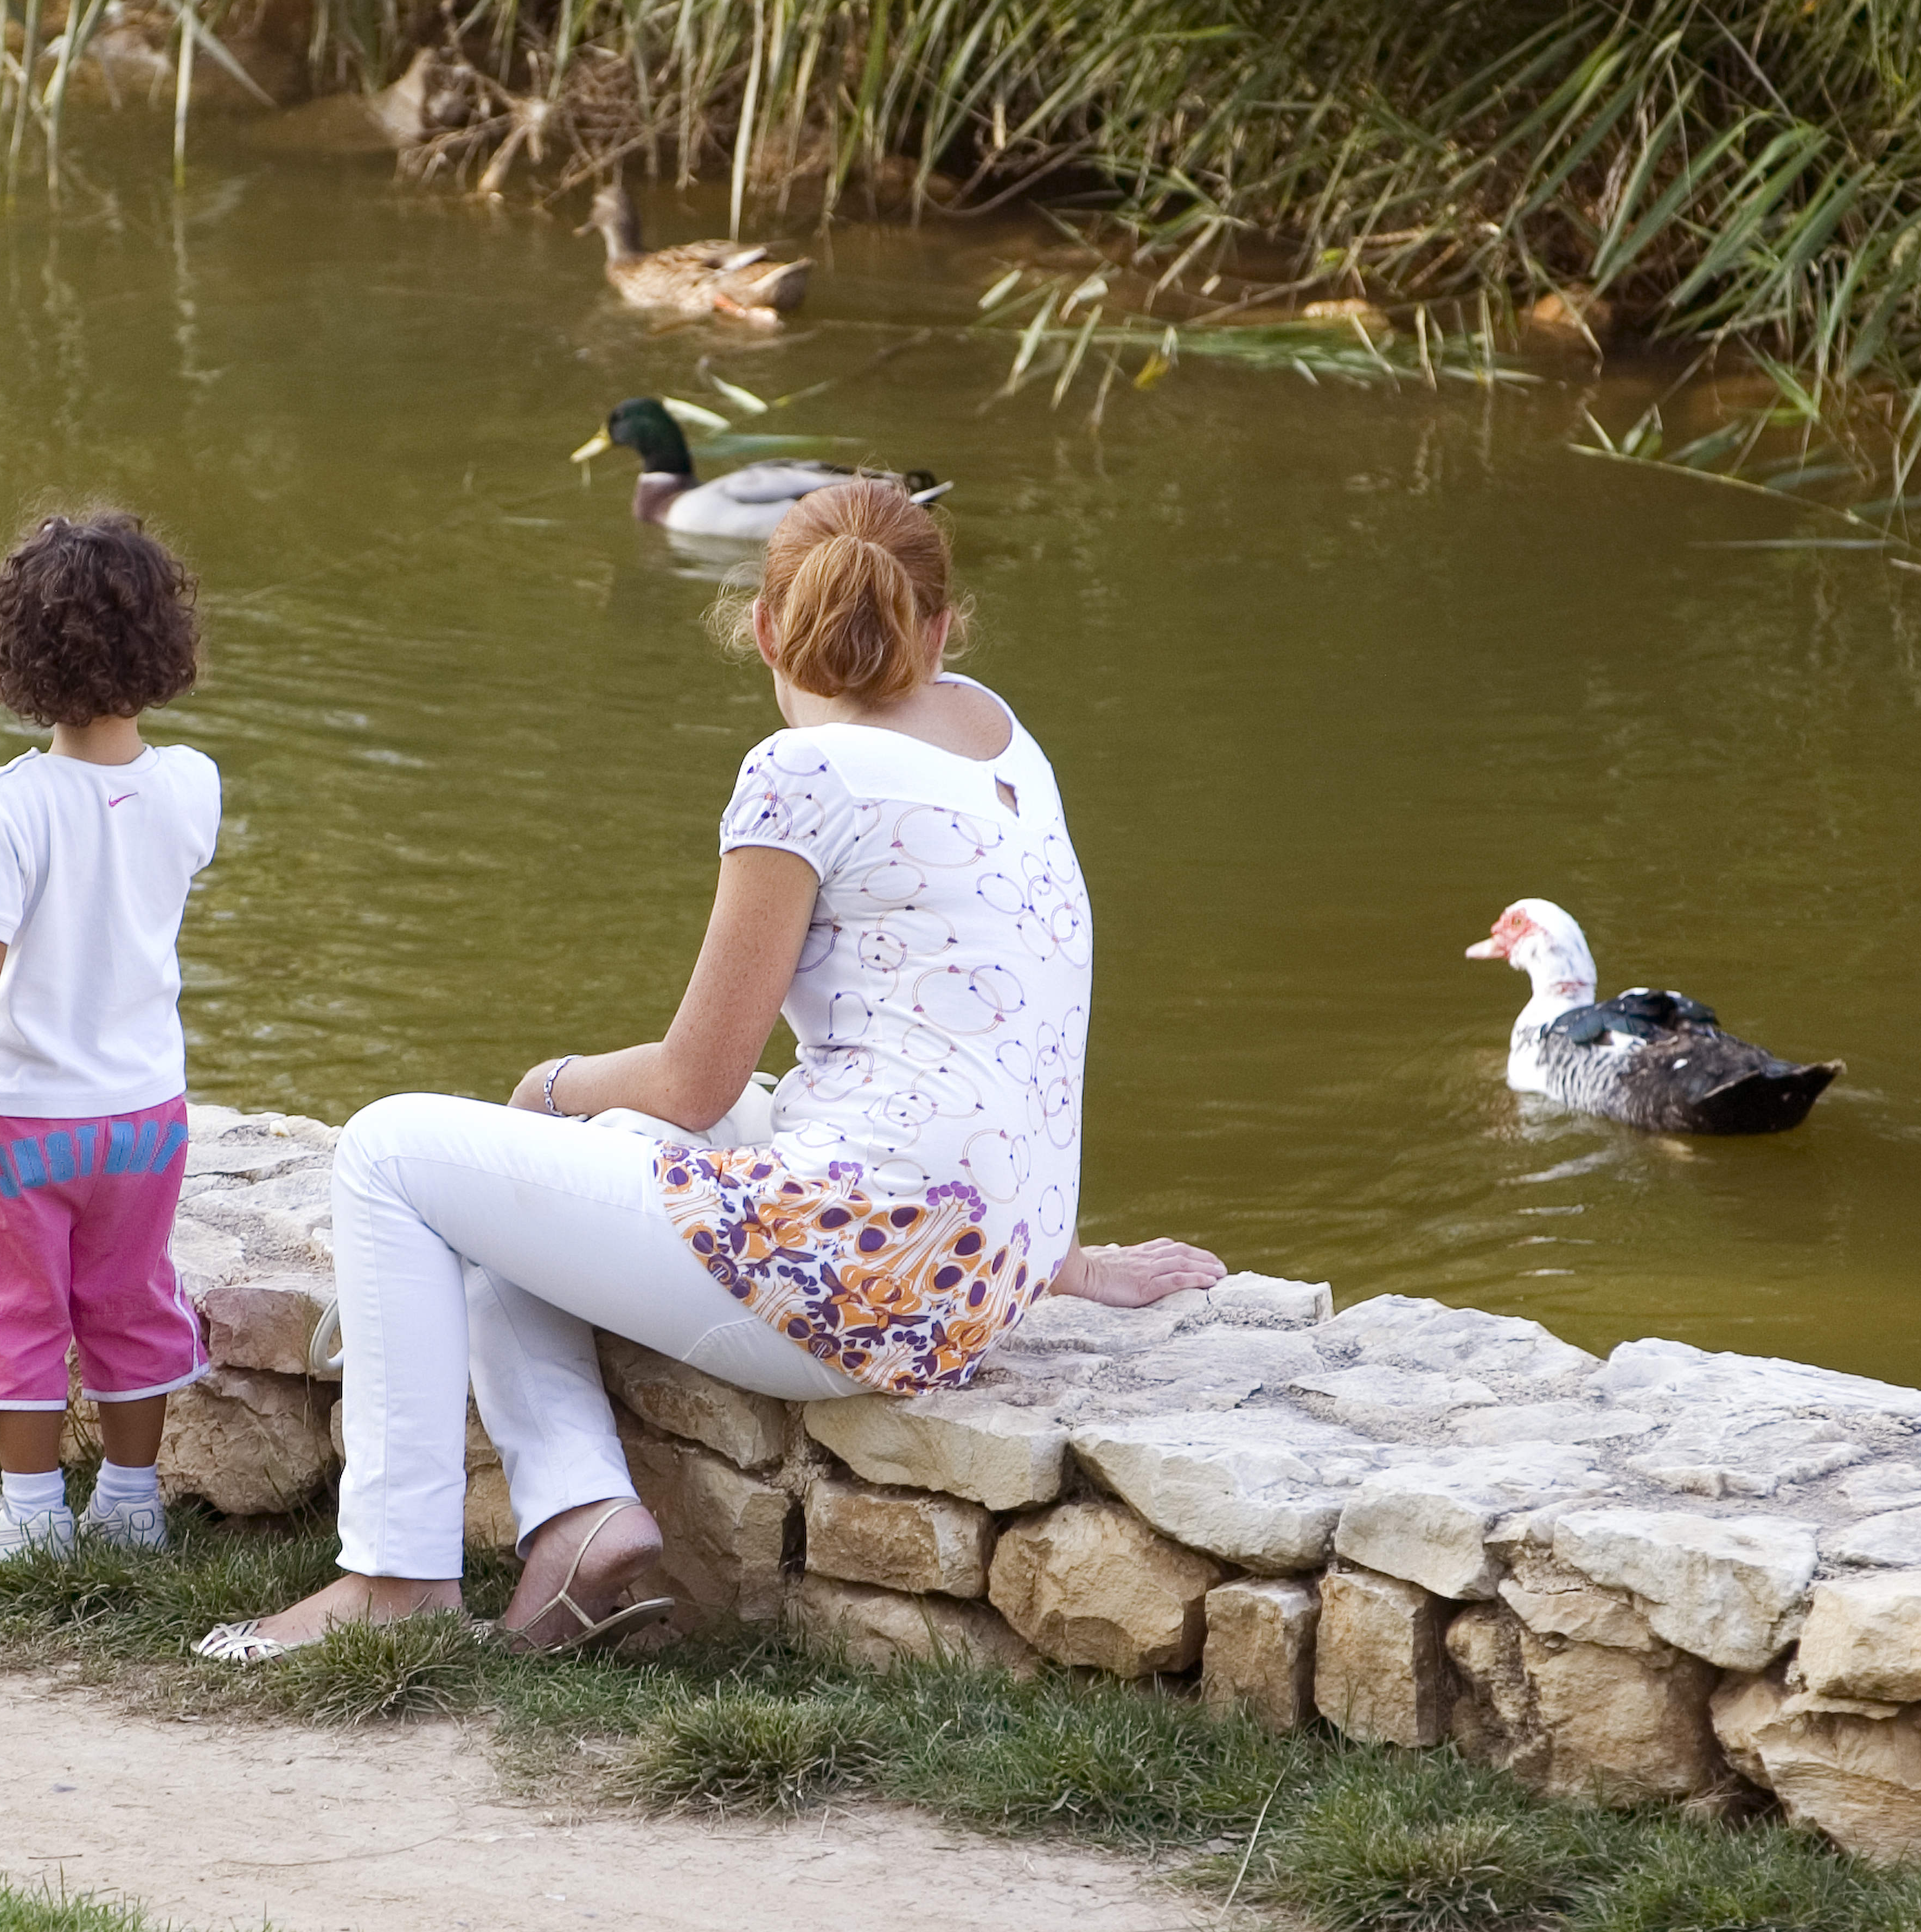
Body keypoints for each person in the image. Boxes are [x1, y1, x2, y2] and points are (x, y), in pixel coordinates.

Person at [194, 480, 1223, 1661]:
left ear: (766, 628)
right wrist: (1068, 1257)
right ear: (944, 630)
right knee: (559, 1176)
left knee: (394, 1151)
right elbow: (973, 1064)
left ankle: (392, 1579)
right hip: (977, 1278)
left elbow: (691, 1077)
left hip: (861, 1285)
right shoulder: (996, 732)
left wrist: (550, 1083)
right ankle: (584, 1520)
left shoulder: (803, 774)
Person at [0, 511, 217, 1562]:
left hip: (24, 1116)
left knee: (16, 1310)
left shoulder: (6, 803)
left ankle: (30, 1516)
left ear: (14, 654)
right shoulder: (192, 783)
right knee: (130, 1301)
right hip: (146, 1115)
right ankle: (129, 1504)